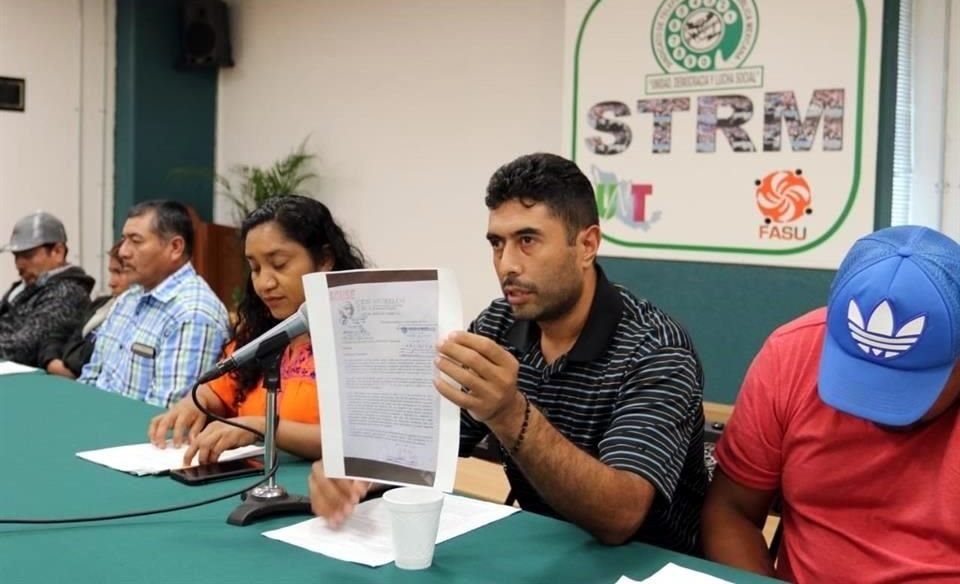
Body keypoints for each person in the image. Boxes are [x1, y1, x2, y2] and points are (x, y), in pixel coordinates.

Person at [307, 153, 707, 552]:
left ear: (587, 246)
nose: (506, 264)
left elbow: (621, 517)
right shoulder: (499, 324)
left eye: (527, 241)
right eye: (497, 243)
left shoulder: (656, 347)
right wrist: (360, 473)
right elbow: (430, 444)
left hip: (653, 565)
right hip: (543, 548)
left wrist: (510, 413)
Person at [702, 226, 960, 583]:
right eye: (862, 376)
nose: (877, 407)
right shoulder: (792, 355)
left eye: (908, 384)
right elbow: (731, 511)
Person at [147, 196, 367, 465]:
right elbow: (217, 392)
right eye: (255, 268)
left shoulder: (365, 339)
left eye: (279, 264)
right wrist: (194, 403)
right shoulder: (260, 329)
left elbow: (360, 439)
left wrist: (261, 426)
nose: (264, 283)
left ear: (324, 260)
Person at [78, 201, 230, 408]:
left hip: (134, 436)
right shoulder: (129, 298)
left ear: (175, 248)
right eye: (124, 240)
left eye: (135, 241)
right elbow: (91, 376)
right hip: (95, 420)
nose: (123, 251)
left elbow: (164, 416)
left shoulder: (193, 315)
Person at [0, 211, 95, 367]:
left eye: (28, 255)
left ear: (57, 251)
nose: (19, 265)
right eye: (16, 256)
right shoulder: (24, 286)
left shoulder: (68, 293)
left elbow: (24, 347)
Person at [45, 241, 130, 378]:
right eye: (111, 272)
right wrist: (52, 361)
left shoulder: (132, 317)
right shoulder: (101, 304)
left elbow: (84, 359)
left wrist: (67, 365)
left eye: (119, 272)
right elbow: (60, 338)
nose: (111, 282)